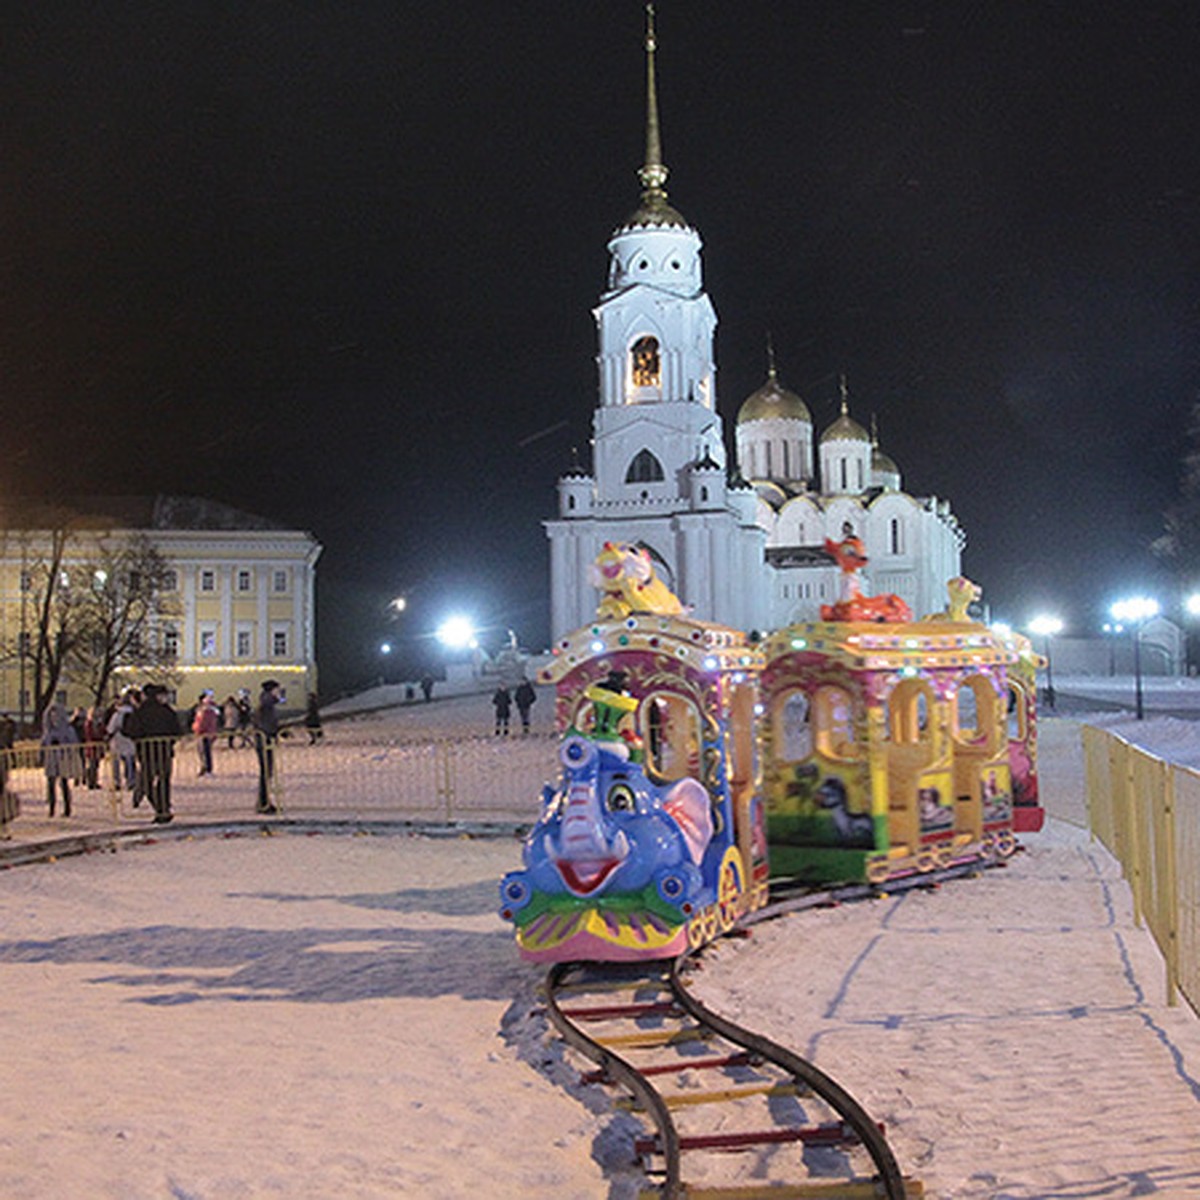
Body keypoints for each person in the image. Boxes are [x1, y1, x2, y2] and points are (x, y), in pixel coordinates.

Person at [127, 684, 179, 824]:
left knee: (147, 783)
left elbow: (132, 731)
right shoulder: (167, 711)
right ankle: (164, 807)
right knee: (164, 781)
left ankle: (160, 808)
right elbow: (177, 730)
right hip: (164, 751)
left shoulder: (140, 712)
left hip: (147, 752)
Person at [41, 703, 80, 817]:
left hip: (63, 759)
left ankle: (67, 808)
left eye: (56, 716)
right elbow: (43, 743)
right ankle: (51, 809)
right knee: (50, 784)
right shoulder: (48, 731)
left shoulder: (68, 730)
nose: (54, 719)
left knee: (63, 784)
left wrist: (64, 747)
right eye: (52, 717)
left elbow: (74, 743)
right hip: (51, 759)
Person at [253, 680, 283, 814]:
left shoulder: (268, 705)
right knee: (265, 773)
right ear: (271, 691)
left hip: (266, 741)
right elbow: (265, 724)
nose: (279, 692)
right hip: (264, 742)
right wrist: (273, 733)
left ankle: (264, 802)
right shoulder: (267, 705)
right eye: (277, 690)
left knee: (267, 773)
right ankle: (263, 803)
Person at [107, 688, 139, 795]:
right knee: (129, 761)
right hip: (129, 740)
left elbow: (110, 728)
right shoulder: (134, 713)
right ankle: (131, 780)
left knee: (116, 762)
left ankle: (117, 781)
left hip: (117, 740)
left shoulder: (117, 714)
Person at [192, 691, 220, 775]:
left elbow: (202, 722)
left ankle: (206, 769)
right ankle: (205, 768)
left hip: (204, 733)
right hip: (206, 732)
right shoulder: (208, 709)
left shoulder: (206, 710)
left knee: (204, 751)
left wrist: (196, 728)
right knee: (203, 751)